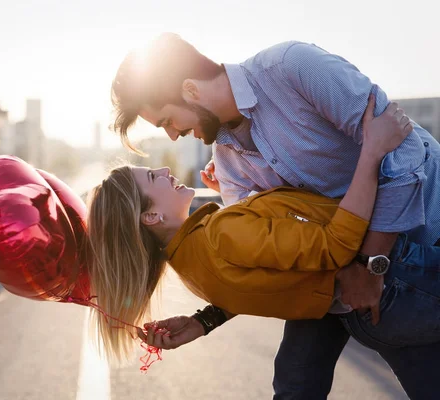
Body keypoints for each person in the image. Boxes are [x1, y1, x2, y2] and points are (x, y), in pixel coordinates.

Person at [110, 33, 440, 398]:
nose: (173, 136)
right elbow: (261, 265)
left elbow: (405, 155)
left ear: (190, 90)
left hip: (418, 236)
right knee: (293, 382)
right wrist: (205, 320)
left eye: (167, 121)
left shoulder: (294, 68)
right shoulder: (229, 164)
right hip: (338, 273)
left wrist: (368, 266)